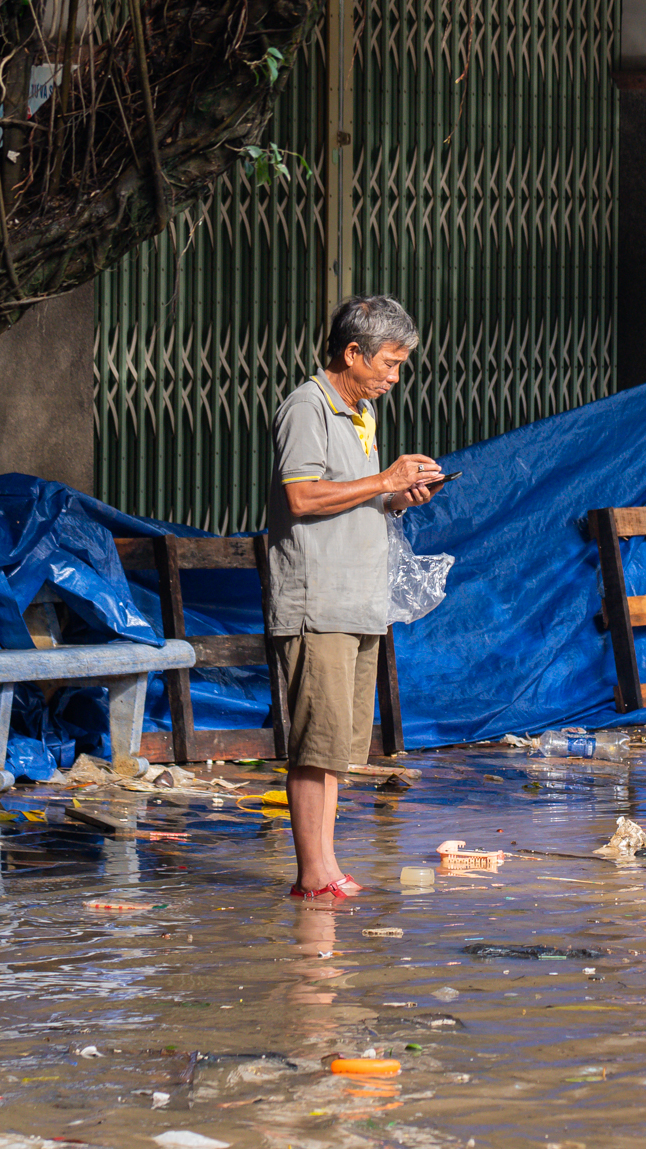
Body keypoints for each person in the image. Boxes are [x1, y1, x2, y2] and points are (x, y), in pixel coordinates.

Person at [266, 295, 443, 901]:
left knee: (337, 745)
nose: (395, 378)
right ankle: (313, 875)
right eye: (389, 364)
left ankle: (326, 867)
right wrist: (385, 479)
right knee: (316, 745)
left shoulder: (358, 414)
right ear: (352, 352)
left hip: (358, 600)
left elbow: (350, 497)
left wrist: (396, 497)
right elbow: (302, 497)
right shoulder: (307, 407)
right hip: (319, 602)